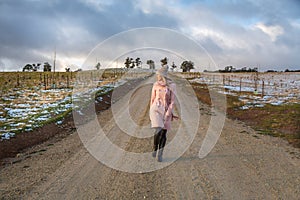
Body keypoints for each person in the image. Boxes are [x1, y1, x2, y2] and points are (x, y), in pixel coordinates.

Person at [149, 65, 176, 162]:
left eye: (158, 75)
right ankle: (155, 147)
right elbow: (152, 99)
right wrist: (150, 112)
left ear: (162, 75)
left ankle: (160, 154)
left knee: (164, 133)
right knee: (158, 131)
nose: (157, 77)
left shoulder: (172, 85)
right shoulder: (155, 85)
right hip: (156, 110)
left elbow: (172, 101)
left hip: (166, 111)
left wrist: (169, 112)